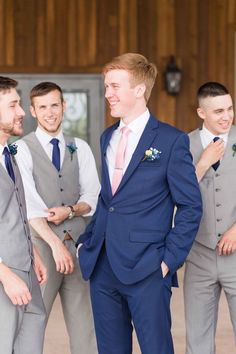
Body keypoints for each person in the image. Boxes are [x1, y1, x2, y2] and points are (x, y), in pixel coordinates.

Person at [76, 52, 202, 354]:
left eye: (115, 86)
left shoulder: (171, 141)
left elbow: (190, 206)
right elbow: (109, 200)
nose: (108, 94)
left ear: (139, 90)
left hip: (148, 266)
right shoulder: (107, 137)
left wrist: (168, 261)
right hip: (102, 266)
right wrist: (86, 242)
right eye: (107, 86)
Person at [15, 82, 100, 354]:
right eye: (43, 107)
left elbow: (93, 197)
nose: (50, 113)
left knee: (85, 326)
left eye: (55, 105)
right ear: (32, 111)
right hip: (42, 248)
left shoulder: (80, 147)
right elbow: (29, 204)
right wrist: (55, 246)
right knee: (33, 322)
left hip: (78, 245)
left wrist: (72, 210)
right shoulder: (21, 150)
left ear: (64, 106)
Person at [184, 82, 236, 354]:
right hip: (199, 254)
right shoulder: (184, 144)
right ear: (201, 113)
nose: (227, 116)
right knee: (198, 338)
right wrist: (202, 164)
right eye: (218, 111)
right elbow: (175, 195)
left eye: (229, 109)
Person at [0, 76, 47, 354]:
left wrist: (34, 253)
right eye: (13, 105)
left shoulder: (9, 154)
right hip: (7, 279)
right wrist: (5, 275)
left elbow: (13, 211)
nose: (21, 112)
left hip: (27, 274)